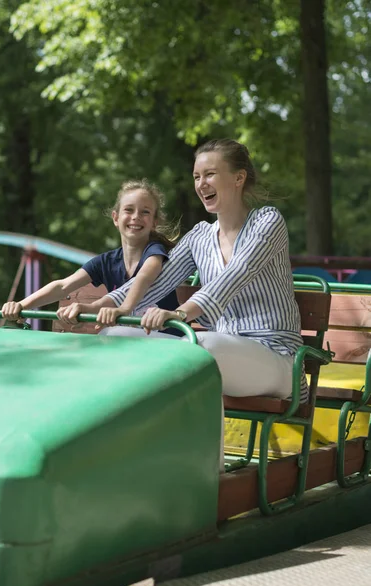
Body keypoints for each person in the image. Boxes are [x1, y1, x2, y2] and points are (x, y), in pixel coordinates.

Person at [66, 139, 306, 469]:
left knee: (199, 345)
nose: (200, 184)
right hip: (222, 352)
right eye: (196, 176)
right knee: (116, 336)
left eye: (210, 174)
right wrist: (104, 305)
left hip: (277, 358)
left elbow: (236, 274)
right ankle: (135, 458)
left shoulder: (268, 221)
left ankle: (208, 475)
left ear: (238, 178)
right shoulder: (199, 237)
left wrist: (180, 313)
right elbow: (153, 283)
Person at [1, 179, 181, 334]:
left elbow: (146, 275)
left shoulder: (155, 252)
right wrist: (22, 305)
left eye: (145, 212)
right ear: (116, 218)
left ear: (154, 222)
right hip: (132, 344)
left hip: (165, 340)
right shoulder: (107, 262)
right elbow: (63, 286)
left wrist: (123, 309)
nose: (136, 217)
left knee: (113, 334)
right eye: (129, 210)